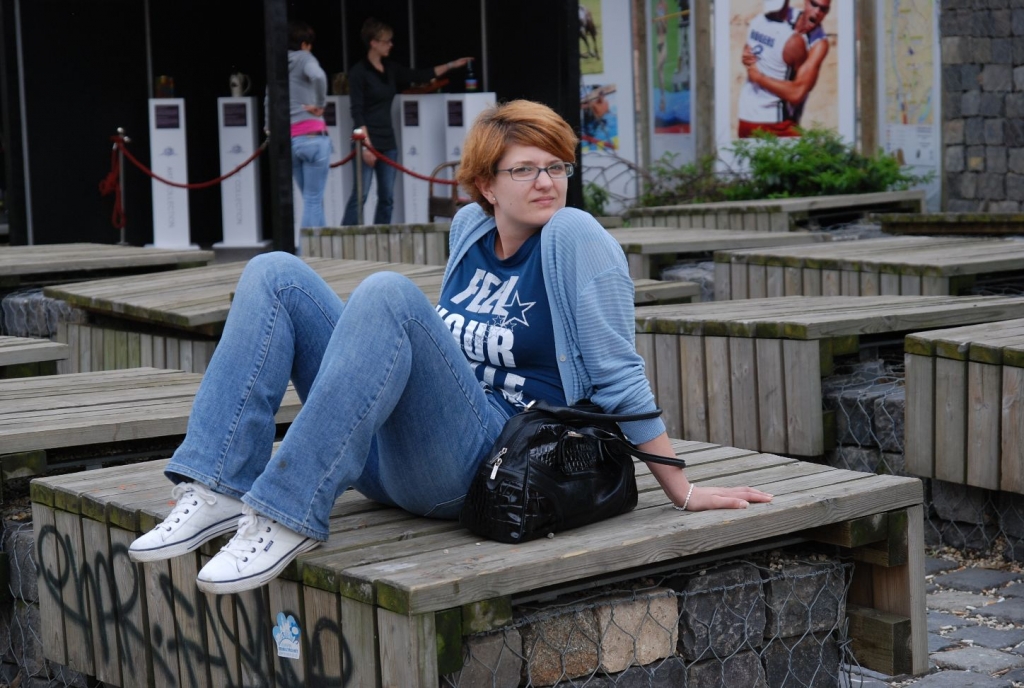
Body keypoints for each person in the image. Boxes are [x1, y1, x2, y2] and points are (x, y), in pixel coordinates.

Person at [128, 100, 773, 595]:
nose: (546, 182)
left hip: (485, 468)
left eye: (556, 166)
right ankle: (217, 486)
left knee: (386, 292)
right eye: (525, 169)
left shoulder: (576, 238)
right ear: (487, 185)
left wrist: (682, 489)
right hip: (388, 461)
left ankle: (286, 515)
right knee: (274, 273)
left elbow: (619, 375)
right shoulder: (469, 230)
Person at [341, 17, 472, 226]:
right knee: (360, 195)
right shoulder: (359, 72)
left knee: (387, 198)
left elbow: (419, 75)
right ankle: (346, 236)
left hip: (388, 141)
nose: (390, 45)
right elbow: (356, 111)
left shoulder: (390, 68)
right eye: (386, 41)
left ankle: (381, 235)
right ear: (373, 43)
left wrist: (451, 65)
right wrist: (365, 144)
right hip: (366, 140)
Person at [736, 0, 830, 138]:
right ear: (806, 2)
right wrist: (747, 58)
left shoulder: (819, 43)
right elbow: (752, 46)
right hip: (773, 122)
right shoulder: (779, 17)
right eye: (814, 4)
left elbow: (797, 93)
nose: (817, 12)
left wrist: (758, 77)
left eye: (823, 9)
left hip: (750, 117)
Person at [279, 21, 331, 228]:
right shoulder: (305, 58)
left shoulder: (279, 64)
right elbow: (318, 76)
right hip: (314, 137)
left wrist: (268, 127)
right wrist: (320, 104)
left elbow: (268, 98)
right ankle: (306, 247)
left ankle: (323, 245)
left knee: (311, 200)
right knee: (313, 200)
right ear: (304, 44)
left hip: (292, 140)